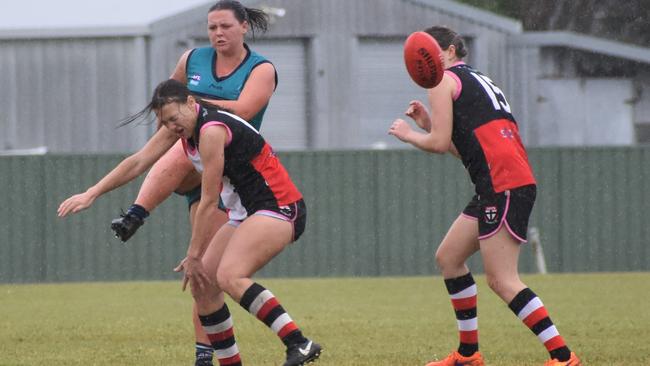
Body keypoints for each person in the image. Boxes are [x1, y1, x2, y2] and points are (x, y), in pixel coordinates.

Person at [58, 79, 322, 366]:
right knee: (203, 286)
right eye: (164, 121)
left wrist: (194, 253)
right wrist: (92, 192)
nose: (171, 126)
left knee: (230, 276)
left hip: (279, 207)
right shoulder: (183, 129)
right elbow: (137, 162)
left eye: (173, 118)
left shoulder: (211, 130)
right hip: (247, 213)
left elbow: (208, 201)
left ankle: (299, 343)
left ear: (191, 103)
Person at [388, 26, 581, 366]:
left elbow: (436, 144)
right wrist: (427, 126)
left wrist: (408, 135)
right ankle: (468, 355)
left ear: (447, 51)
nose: (427, 62)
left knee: (502, 280)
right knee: (449, 258)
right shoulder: (474, 78)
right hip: (500, 181)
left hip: (502, 183)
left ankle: (563, 356)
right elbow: (466, 150)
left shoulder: (442, 81)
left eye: (431, 52)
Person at [109, 1, 278, 365]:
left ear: (244, 26)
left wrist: (191, 104)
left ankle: (207, 356)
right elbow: (166, 104)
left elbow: (243, 110)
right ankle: (135, 214)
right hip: (194, 156)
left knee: (205, 277)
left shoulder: (261, 69)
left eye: (225, 27)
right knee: (175, 147)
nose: (218, 33)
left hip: (228, 172)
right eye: (212, 27)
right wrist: (168, 128)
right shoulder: (192, 59)